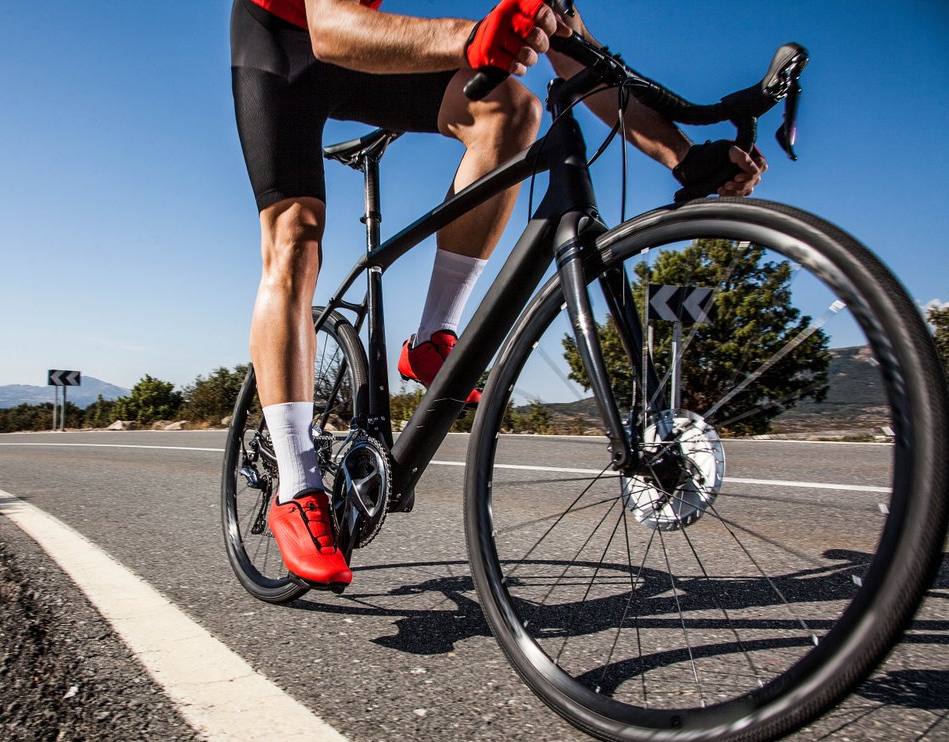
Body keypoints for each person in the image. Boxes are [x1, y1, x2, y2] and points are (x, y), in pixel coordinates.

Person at [229, 0, 765, 591]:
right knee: (296, 237)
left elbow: (576, 54)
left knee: (514, 109)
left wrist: (683, 157)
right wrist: (474, 36)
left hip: (362, 60)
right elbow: (329, 29)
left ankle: (433, 337)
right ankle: (297, 483)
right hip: (282, 50)